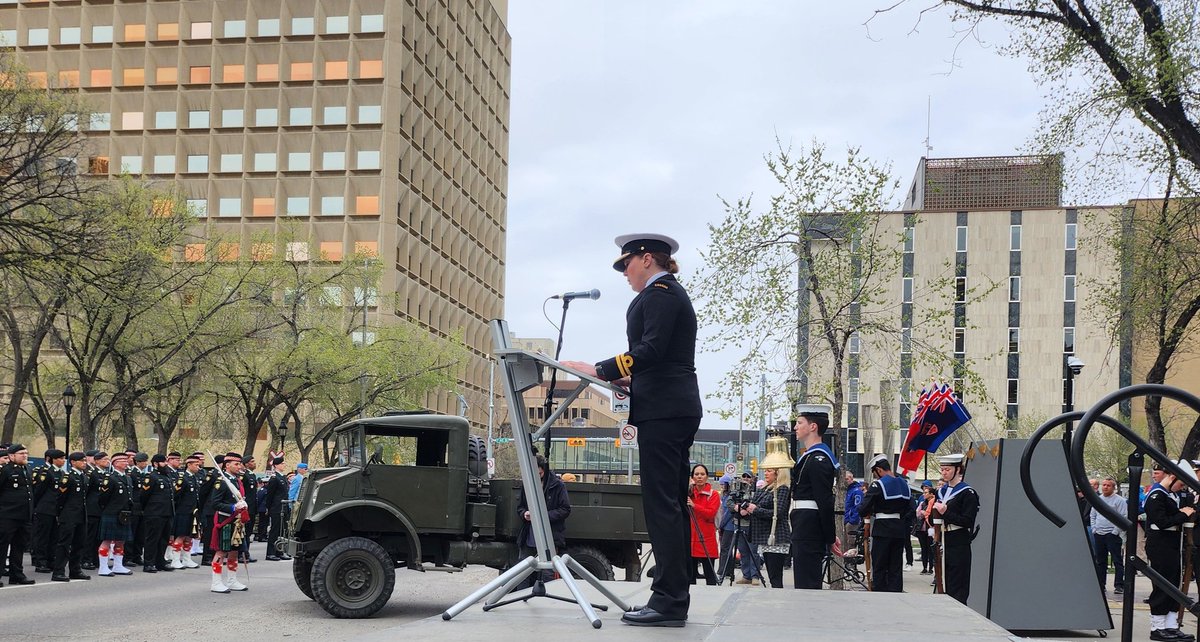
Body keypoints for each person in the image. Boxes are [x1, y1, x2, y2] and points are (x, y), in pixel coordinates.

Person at [561, 233, 701, 628]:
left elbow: (651, 350)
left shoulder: (660, 294)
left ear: (646, 259)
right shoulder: (665, 294)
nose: (625, 272)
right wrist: (628, 380)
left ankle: (669, 601)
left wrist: (600, 369)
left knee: (662, 506)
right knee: (670, 505)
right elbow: (661, 358)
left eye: (627, 264)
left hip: (665, 411)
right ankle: (671, 596)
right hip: (670, 406)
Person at [1145, 461, 1197, 641]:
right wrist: (1183, 514)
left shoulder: (1169, 494)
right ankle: (1158, 626)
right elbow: (1161, 521)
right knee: (1163, 584)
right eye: (1181, 484)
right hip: (1161, 544)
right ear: (1172, 477)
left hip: (1172, 542)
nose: (1181, 488)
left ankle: (1171, 625)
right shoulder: (1157, 495)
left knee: (1173, 585)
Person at [789, 405, 838, 590]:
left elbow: (825, 501)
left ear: (813, 426)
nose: (795, 427)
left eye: (799, 423)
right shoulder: (810, 457)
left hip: (809, 525)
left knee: (807, 584)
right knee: (803, 580)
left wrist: (830, 536)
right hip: (804, 523)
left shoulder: (819, 459)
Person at [859, 454, 913, 592]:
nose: (875, 477)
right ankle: (896, 594)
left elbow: (863, 509)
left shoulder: (878, 485)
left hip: (882, 529)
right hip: (899, 529)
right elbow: (911, 509)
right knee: (896, 567)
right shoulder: (904, 484)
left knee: (880, 565)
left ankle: (880, 594)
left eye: (875, 473)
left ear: (879, 470)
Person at [515, 455, 571, 588]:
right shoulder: (527, 484)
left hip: (549, 534)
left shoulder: (558, 485)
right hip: (529, 534)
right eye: (534, 473)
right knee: (523, 571)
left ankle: (549, 596)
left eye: (539, 473)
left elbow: (565, 509)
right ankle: (522, 596)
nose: (537, 476)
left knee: (548, 571)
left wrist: (543, 516)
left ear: (544, 470)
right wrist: (525, 514)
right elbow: (520, 507)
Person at [933, 453, 978, 604]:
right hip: (943, 539)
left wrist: (946, 512)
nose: (944, 473)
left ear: (958, 469)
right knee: (943, 581)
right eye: (942, 469)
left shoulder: (967, 493)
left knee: (958, 585)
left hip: (959, 540)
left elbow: (967, 521)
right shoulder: (941, 491)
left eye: (947, 469)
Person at [205, 452, 249, 593]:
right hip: (226, 520)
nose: (239, 466)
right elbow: (215, 503)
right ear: (227, 465)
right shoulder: (222, 482)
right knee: (221, 551)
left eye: (240, 464)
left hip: (237, 521)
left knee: (234, 551)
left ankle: (232, 580)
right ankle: (216, 582)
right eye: (236, 464)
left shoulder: (237, 481)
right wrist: (233, 507)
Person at [745, 463, 791, 588]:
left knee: (775, 575)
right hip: (764, 535)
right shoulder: (765, 488)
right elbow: (754, 503)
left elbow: (779, 512)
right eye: (765, 470)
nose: (765, 473)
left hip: (775, 536)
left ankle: (777, 595)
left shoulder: (782, 488)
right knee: (771, 574)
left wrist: (756, 510)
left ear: (778, 473)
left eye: (769, 471)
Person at [52, 451, 91, 582]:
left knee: (79, 543)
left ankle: (75, 570)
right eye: (82, 461)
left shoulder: (84, 477)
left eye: (85, 461)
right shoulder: (68, 477)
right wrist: (60, 513)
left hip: (81, 514)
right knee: (64, 544)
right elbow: (60, 498)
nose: (84, 463)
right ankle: (58, 571)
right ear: (73, 462)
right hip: (69, 515)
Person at [0, 444, 36, 585]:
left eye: (26, 453)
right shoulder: (5, 470)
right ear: (11, 456)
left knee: (19, 546)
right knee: (2, 546)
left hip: (24, 515)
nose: (25, 455)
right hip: (8, 515)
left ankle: (16, 574)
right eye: (21, 453)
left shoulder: (27, 469)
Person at [97, 452, 135, 576]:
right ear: (116, 463)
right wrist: (109, 509)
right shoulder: (110, 478)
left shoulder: (128, 478)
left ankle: (118, 566)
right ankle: (103, 567)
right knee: (107, 540)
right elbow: (102, 498)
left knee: (121, 541)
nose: (126, 462)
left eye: (126, 460)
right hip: (112, 512)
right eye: (123, 460)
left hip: (124, 514)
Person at [138, 454, 175, 573]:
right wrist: (149, 510)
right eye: (163, 462)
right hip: (154, 513)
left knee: (164, 539)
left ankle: (160, 562)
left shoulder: (167, 476)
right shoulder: (151, 477)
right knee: (152, 539)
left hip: (167, 512)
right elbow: (144, 496)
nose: (166, 464)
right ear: (155, 464)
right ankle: (149, 563)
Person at [31, 449, 66, 573]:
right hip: (44, 509)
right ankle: (40, 562)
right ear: (51, 459)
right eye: (60, 458)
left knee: (54, 536)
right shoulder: (45, 472)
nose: (63, 461)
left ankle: (51, 560)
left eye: (64, 458)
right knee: (43, 537)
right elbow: (38, 491)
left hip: (55, 510)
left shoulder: (61, 473)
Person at [1090, 476, 1126, 596]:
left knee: (1117, 560)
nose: (1105, 487)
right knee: (1101, 561)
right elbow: (1093, 515)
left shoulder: (1119, 501)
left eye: (1108, 485)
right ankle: (1101, 584)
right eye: (1104, 485)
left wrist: (1115, 531)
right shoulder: (1097, 499)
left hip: (1112, 534)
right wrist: (1094, 528)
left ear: (1113, 487)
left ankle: (1119, 585)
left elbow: (1123, 516)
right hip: (1099, 533)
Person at [686, 464, 719, 585]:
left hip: (706, 539)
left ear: (707, 477)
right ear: (692, 477)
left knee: (710, 577)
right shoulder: (688, 493)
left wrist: (695, 506)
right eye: (696, 474)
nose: (699, 477)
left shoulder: (713, 494)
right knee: (690, 579)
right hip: (690, 539)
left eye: (702, 474)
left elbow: (710, 514)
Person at [168, 454, 202, 569]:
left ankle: (187, 559)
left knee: (189, 536)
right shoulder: (183, 479)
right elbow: (176, 496)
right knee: (181, 535)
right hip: (183, 512)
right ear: (189, 465)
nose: (198, 467)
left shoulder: (194, 478)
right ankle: (175, 559)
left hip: (193, 512)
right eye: (196, 465)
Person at [264, 456, 290, 561]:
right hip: (276, 507)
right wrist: (268, 508)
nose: (284, 465)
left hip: (283, 507)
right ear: (276, 465)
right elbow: (270, 495)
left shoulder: (282, 477)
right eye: (282, 463)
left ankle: (279, 551)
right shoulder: (274, 478)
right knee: (275, 531)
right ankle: (270, 553)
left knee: (282, 531)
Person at [238, 453, 258, 564]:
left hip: (252, 508)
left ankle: (246, 553)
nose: (254, 463)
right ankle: (242, 554)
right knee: (244, 532)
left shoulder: (252, 475)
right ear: (246, 464)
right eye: (252, 462)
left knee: (248, 532)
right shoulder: (244, 476)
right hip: (246, 508)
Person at [915, 483, 936, 575]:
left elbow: (931, 514)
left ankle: (931, 568)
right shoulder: (922, 503)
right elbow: (918, 513)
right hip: (922, 529)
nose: (924, 494)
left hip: (930, 528)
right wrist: (922, 513)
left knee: (930, 549)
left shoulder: (934, 502)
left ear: (931, 494)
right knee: (924, 549)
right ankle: (924, 567)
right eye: (923, 492)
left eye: (926, 492)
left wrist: (925, 513)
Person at [844, 470, 863, 535]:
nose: (845, 481)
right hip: (845, 520)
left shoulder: (857, 491)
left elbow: (858, 507)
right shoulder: (846, 490)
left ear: (851, 479)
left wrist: (852, 521)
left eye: (847, 479)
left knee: (851, 540)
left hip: (852, 523)